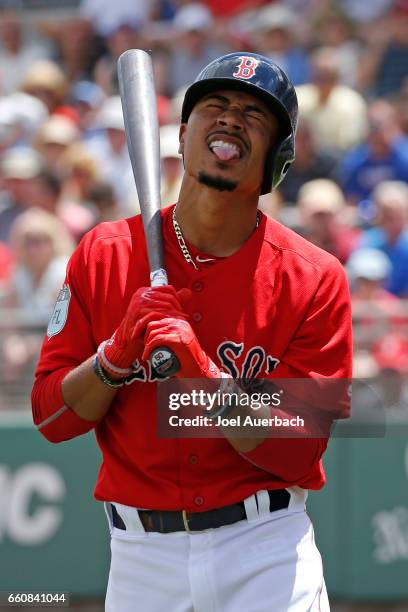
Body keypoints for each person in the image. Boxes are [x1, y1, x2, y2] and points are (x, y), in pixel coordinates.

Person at [32, 52, 352, 611]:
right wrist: (112, 359)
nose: (230, 119)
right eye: (216, 106)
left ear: (277, 160)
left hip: (265, 549)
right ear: (183, 134)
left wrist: (203, 377)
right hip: (140, 558)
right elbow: (52, 419)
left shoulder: (313, 277)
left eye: (254, 116)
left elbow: (299, 452)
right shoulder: (104, 254)